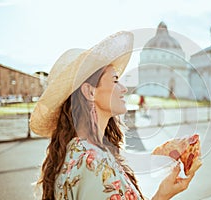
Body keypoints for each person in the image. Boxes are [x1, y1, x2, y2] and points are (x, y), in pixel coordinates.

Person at [30, 31, 198, 200]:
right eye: (116, 80)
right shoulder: (94, 162)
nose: (124, 88)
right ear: (90, 92)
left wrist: (163, 193)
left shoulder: (79, 152)